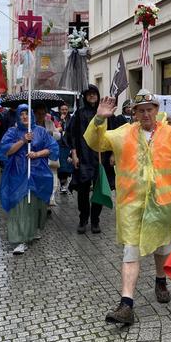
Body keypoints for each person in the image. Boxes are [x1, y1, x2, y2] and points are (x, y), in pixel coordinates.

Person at [84, 89, 171, 325]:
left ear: (157, 110)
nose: (146, 114)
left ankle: (160, 280)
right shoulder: (123, 133)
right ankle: (126, 304)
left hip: (163, 205)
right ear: (133, 113)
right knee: (131, 252)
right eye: (140, 110)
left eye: (150, 109)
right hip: (131, 206)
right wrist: (99, 118)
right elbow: (96, 143)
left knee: (161, 249)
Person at [0, 104, 59, 255]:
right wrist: (23, 141)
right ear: (18, 116)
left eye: (27, 113)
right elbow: (5, 151)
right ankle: (20, 239)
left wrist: (36, 154)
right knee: (20, 206)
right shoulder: (13, 132)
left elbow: (52, 149)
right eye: (21, 114)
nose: (24, 117)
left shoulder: (41, 131)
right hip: (18, 175)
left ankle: (34, 229)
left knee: (36, 205)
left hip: (38, 174)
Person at [67, 85, 103, 234]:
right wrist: (74, 154)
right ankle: (83, 219)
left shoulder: (103, 113)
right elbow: (72, 135)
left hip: (100, 157)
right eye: (89, 94)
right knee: (83, 191)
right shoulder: (79, 114)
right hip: (83, 157)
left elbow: (113, 133)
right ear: (85, 97)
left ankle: (95, 221)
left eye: (95, 94)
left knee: (99, 191)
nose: (92, 96)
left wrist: (112, 154)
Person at [57, 103, 74, 194]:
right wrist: (60, 121)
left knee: (67, 166)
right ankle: (62, 184)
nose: (64, 111)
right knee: (61, 166)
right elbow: (56, 129)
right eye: (62, 109)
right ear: (59, 110)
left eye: (66, 109)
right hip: (59, 144)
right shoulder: (56, 118)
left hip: (68, 145)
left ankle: (65, 183)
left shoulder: (71, 119)